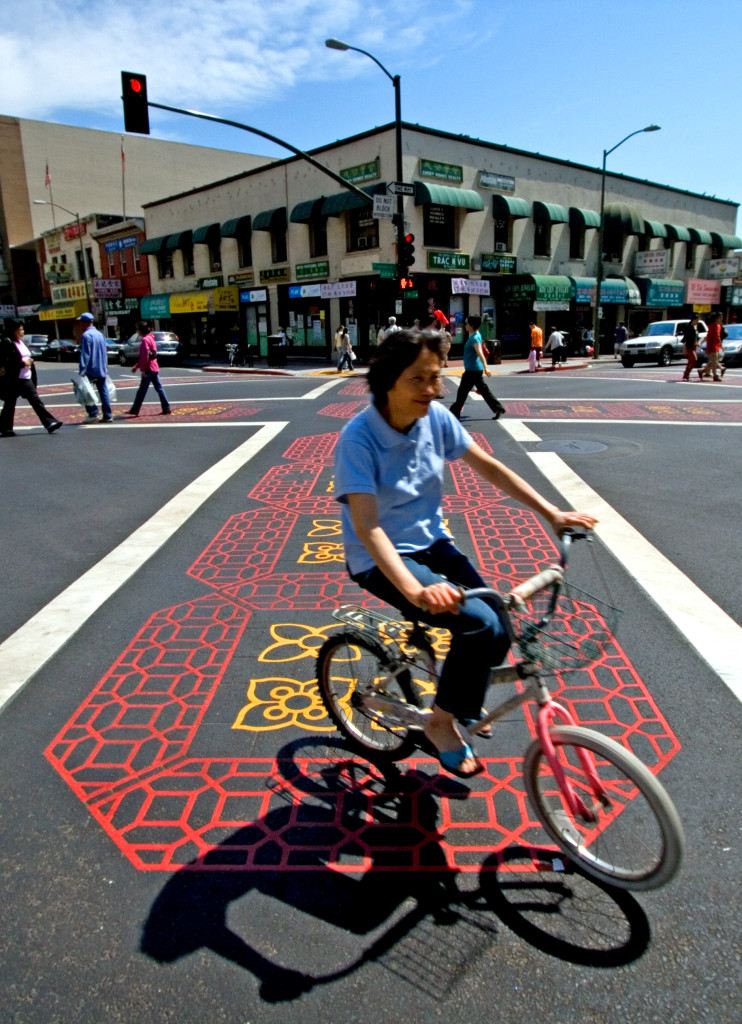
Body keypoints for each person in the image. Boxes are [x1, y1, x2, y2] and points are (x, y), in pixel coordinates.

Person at [333, 328, 597, 778]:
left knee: (499, 624)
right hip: (382, 559)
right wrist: (417, 590)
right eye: (419, 379)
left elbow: (489, 468)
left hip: (432, 542)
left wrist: (551, 512)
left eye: (436, 378)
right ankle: (440, 723)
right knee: (477, 624)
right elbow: (369, 528)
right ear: (389, 379)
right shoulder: (358, 439)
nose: (432, 390)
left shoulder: (436, 417)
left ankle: (458, 702)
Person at [0, 322, 63, 436]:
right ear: (13, 331)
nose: (22, 332)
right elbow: (6, 362)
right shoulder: (7, 343)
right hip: (13, 379)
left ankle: (50, 423)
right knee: (10, 404)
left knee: (36, 400)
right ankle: (5, 428)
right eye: (20, 330)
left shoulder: (21, 342)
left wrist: (29, 362)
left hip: (26, 377)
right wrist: (22, 363)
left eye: (23, 330)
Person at [449, 315, 505, 421]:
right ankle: (498, 408)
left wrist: (486, 367)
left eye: (467, 323)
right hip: (474, 369)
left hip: (472, 370)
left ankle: (455, 412)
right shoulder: (476, 335)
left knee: (462, 391)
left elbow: (480, 353)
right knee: (483, 390)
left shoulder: (475, 338)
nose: (465, 325)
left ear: (472, 325)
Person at [126, 321, 172, 416]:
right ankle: (166, 407)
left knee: (142, 390)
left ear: (140, 330)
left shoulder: (144, 340)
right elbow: (151, 353)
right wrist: (137, 366)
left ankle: (135, 409)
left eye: (137, 329)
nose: (137, 331)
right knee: (159, 388)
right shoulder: (151, 339)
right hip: (154, 367)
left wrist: (142, 369)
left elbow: (145, 356)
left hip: (148, 368)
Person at [77, 311, 112, 423]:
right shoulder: (100, 334)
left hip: (91, 369)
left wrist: (82, 370)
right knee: (103, 391)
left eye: (81, 322)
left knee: (87, 391)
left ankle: (93, 414)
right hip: (101, 368)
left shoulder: (86, 335)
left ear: (84, 322)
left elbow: (85, 354)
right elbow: (104, 351)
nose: (80, 325)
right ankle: (107, 415)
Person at [699, 312, 724, 382]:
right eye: (720, 317)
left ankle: (701, 371)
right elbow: (708, 338)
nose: (722, 319)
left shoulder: (719, 326)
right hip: (712, 346)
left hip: (717, 346)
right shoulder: (712, 327)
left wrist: (721, 345)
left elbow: (718, 337)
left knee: (713, 361)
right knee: (714, 361)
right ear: (716, 319)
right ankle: (715, 375)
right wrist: (707, 348)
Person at [681, 314, 700, 382]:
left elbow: (697, 336)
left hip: (694, 346)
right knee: (694, 359)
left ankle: (686, 374)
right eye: (697, 320)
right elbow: (685, 338)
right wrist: (684, 348)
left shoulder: (695, 326)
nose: (698, 321)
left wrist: (698, 342)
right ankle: (686, 373)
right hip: (689, 346)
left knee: (690, 361)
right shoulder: (689, 327)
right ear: (694, 320)